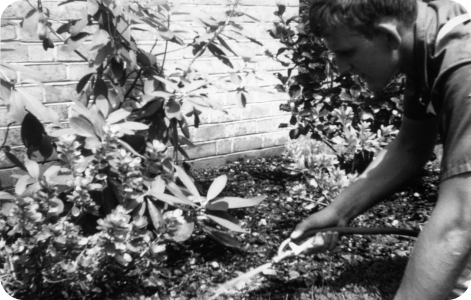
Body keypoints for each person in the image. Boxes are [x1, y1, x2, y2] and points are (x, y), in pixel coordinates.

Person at [290, 0, 471, 299]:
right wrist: (339, 212)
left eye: (346, 52)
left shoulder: (463, 63)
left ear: (388, 36)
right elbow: (411, 147)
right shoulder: (422, 41)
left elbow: (459, 222)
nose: (340, 68)